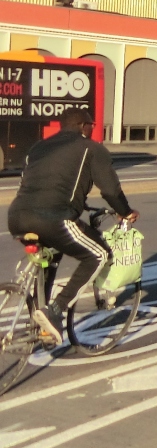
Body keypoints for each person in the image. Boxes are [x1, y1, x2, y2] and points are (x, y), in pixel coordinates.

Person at [8, 108, 138, 342]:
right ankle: (56, 310)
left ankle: (40, 324)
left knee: (50, 256)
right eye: (92, 124)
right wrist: (126, 212)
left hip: (17, 216)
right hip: (53, 218)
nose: (93, 128)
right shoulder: (91, 149)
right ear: (82, 126)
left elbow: (37, 184)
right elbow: (110, 190)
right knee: (98, 254)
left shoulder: (38, 148)